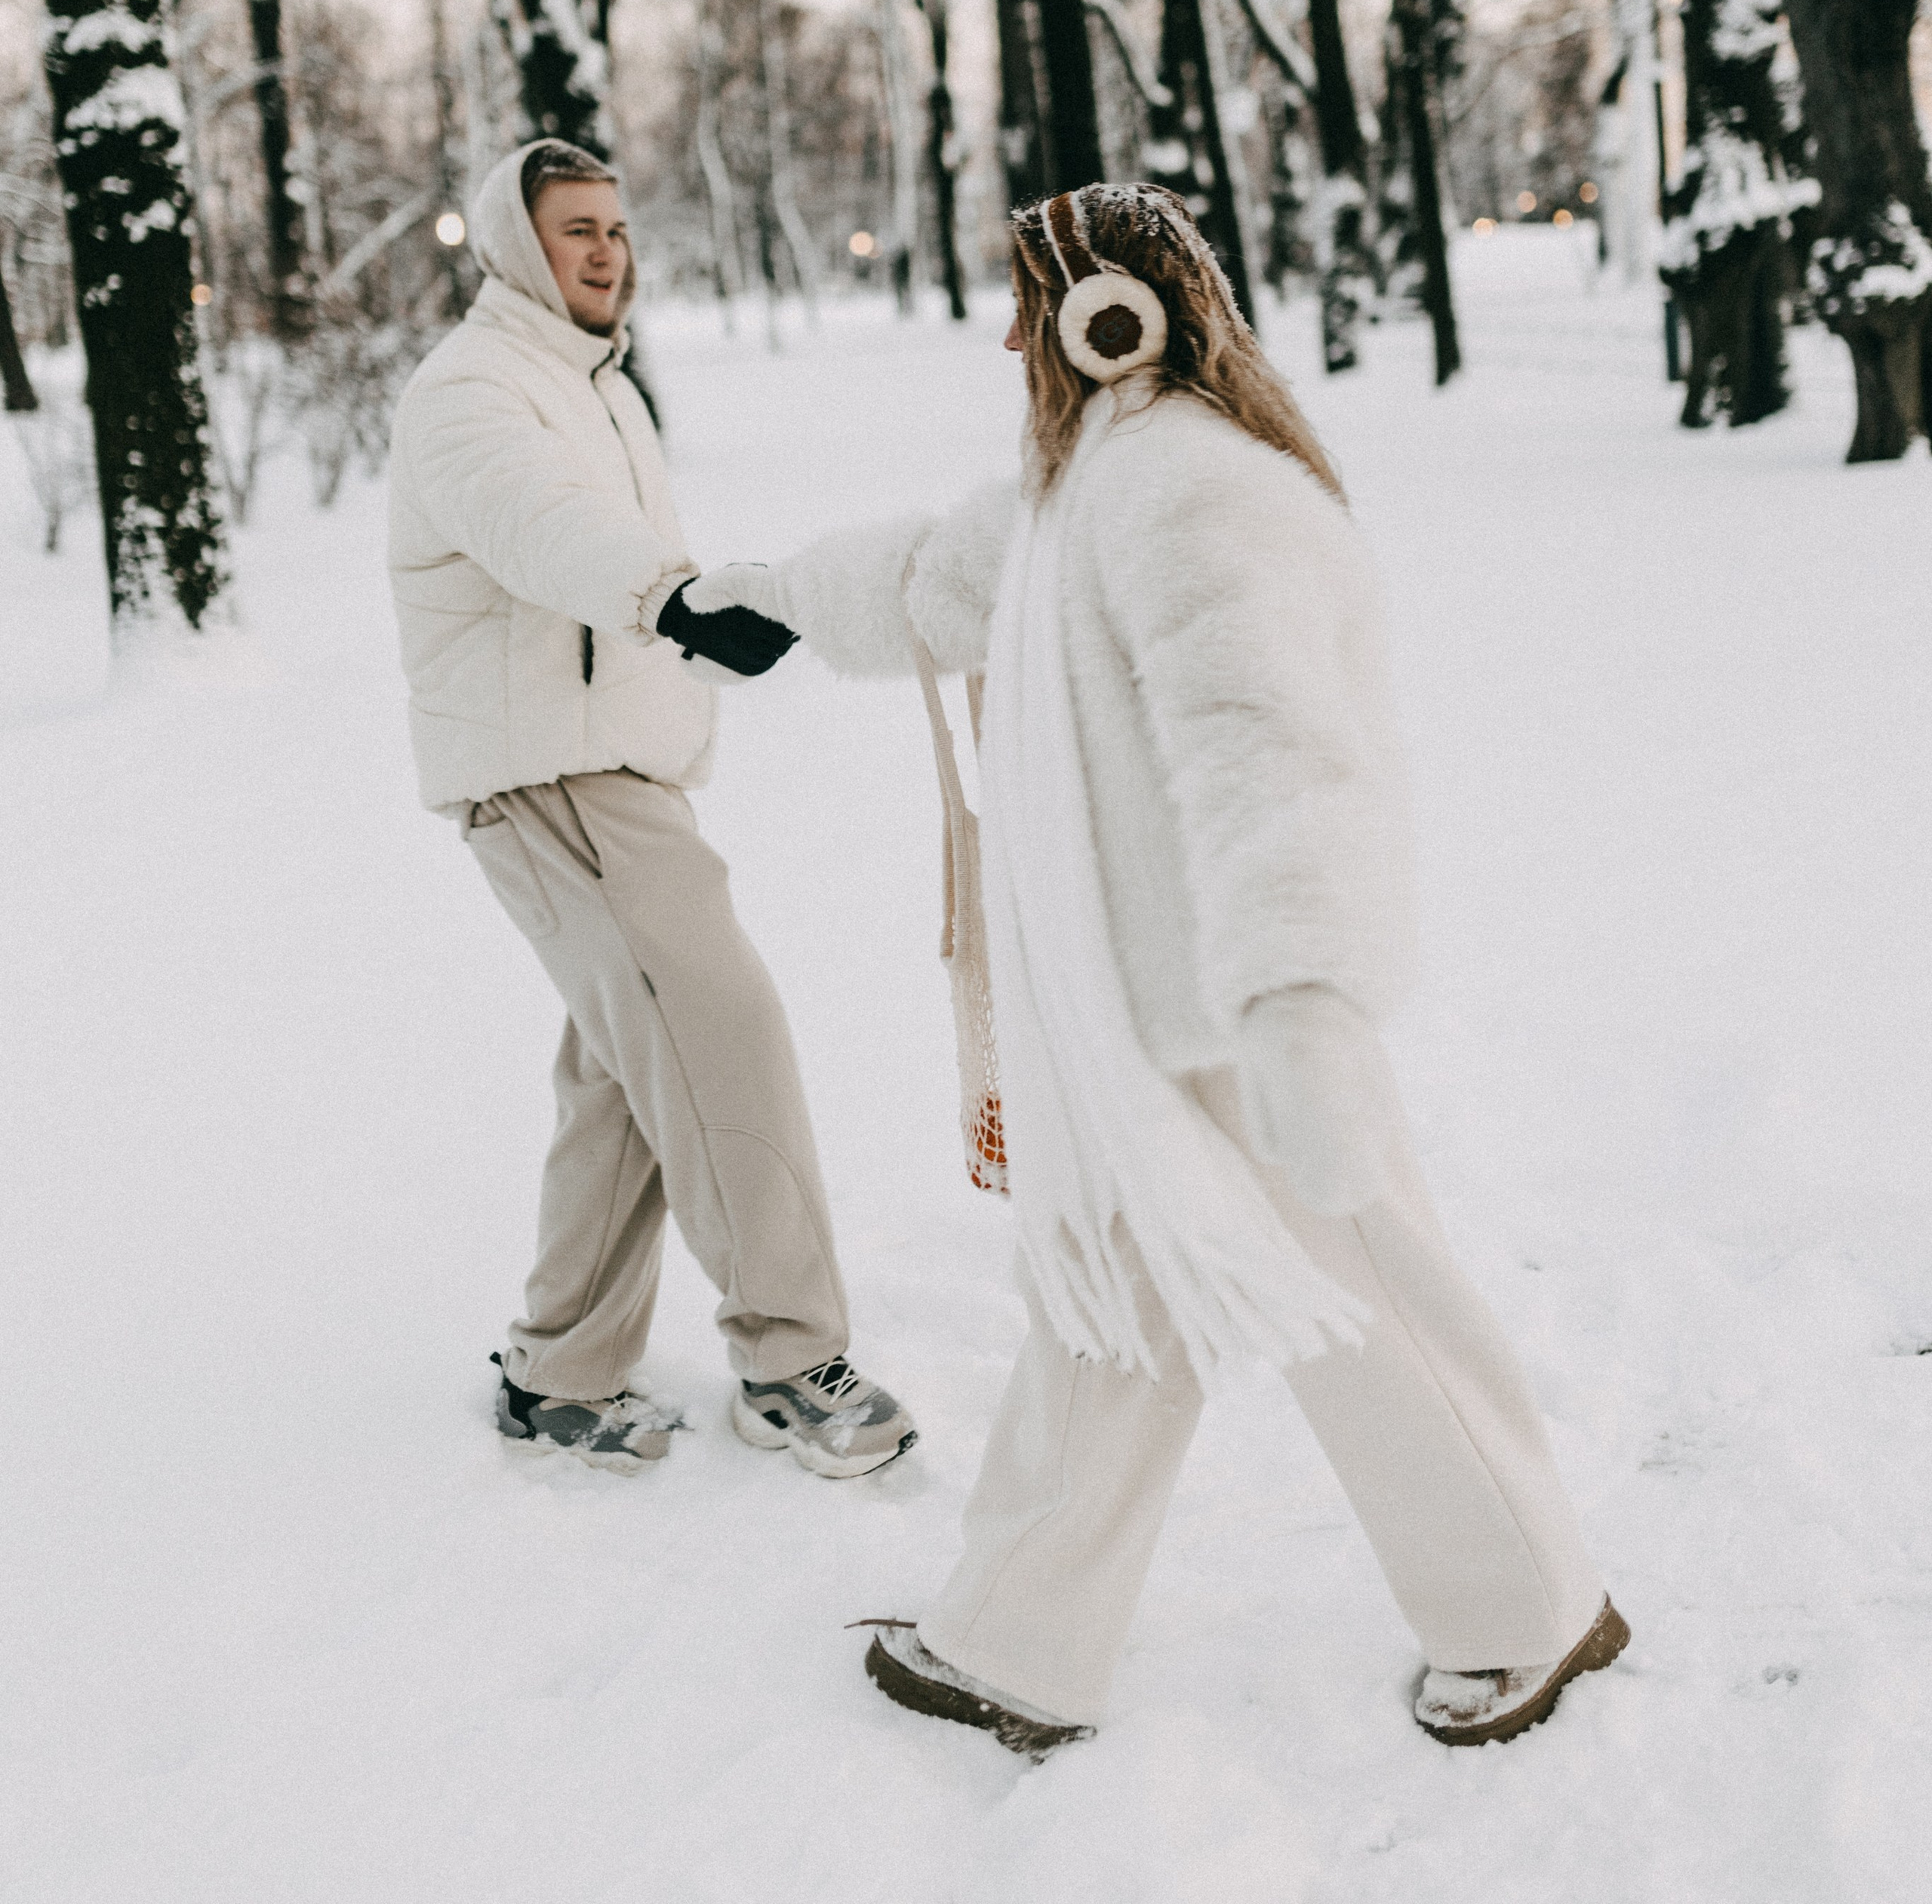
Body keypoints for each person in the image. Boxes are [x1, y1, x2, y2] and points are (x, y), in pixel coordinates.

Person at [685, 183, 1624, 1752]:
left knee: (1365, 1302)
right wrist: (767, 597)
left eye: (1026, 310)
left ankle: (1531, 1609)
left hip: (1236, 1013)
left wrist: (1303, 1010)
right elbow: (936, 580)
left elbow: (1278, 757)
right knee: (1107, 1308)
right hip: (1123, 1028)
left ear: (1104, 319)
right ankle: (1015, 1642)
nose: (1009, 342)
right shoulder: (1080, 497)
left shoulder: (1196, 493)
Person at [386, 138, 914, 1479]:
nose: (606, 251)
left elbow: (589, 540)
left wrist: (704, 622)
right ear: (516, 246)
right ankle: (791, 1361)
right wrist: (672, 600)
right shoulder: (470, 391)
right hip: (549, 774)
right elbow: (538, 526)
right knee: (720, 1024)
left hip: (615, 765)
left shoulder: (597, 385)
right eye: (575, 230)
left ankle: (558, 1371)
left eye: (616, 229)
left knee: (628, 1074)